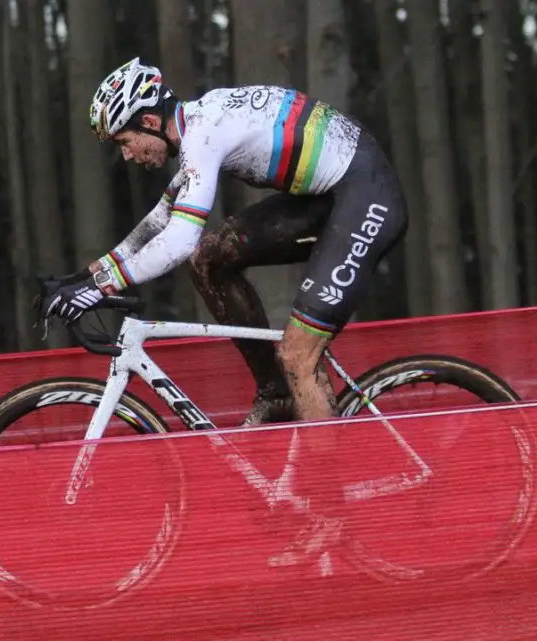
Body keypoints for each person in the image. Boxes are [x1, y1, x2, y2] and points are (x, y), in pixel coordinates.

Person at [42, 57, 408, 429]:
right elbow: (161, 218)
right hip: (329, 194)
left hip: (365, 195)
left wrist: (101, 288)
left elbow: (179, 240)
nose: (127, 154)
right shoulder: (198, 124)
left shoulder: (203, 135)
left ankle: (327, 484)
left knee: (299, 356)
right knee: (209, 259)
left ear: (149, 123)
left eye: (125, 141)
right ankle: (276, 393)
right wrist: (85, 277)